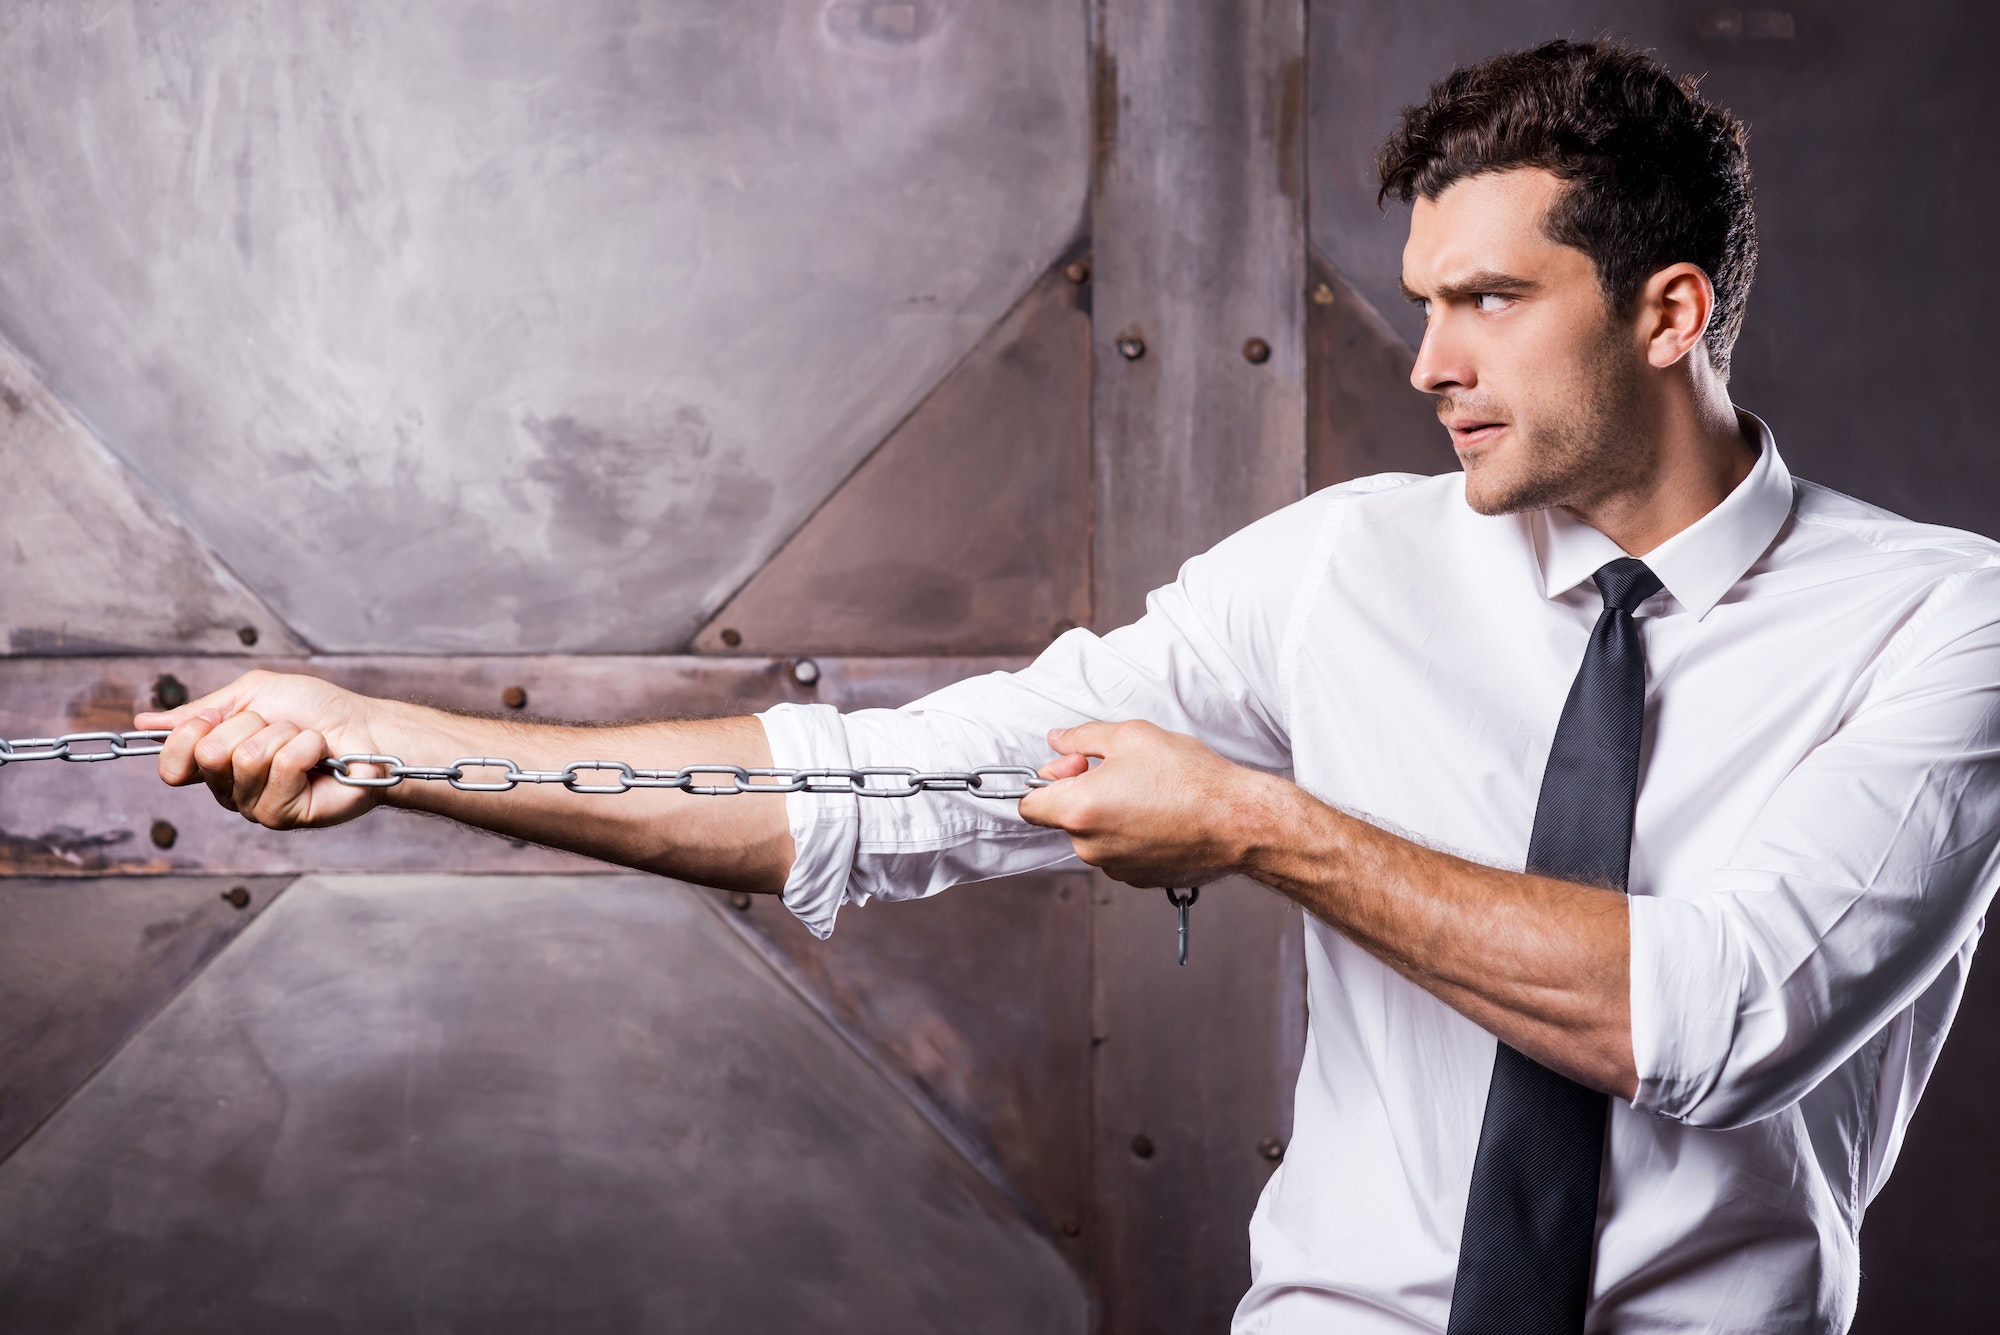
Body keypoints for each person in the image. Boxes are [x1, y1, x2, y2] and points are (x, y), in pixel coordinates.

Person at [137, 39, 2000, 1335]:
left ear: (1669, 312)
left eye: (1491, 301)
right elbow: (886, 793)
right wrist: (400, 746)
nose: (1428, 361)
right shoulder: (1339, 566)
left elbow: (1718, 1019)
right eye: (1423, 298)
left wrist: (1262, 827)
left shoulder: (1943, 623)